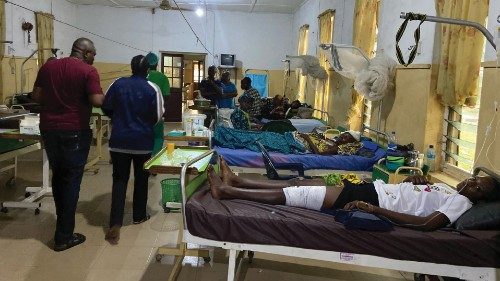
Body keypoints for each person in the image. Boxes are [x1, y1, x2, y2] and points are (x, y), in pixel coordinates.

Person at [207, 156, 500, 231]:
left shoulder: (461, 204)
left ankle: (230, 192)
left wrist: (374, 211)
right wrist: (414, 181)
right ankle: (236, 182)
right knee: (297, 184)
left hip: (375, 199)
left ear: (481, 200)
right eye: (475, 179)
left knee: (298, 194)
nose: (470, 184)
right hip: (377, 189)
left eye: (477, 188)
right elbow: (420, 200)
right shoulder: (451, 189)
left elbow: (425, 223)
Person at [31, 38, 104, 251]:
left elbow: (37, 96)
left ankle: (62, 225)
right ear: (86, 52)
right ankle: (64, 236)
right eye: (94, 54)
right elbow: (97, 100)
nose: (94, 58)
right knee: (71, 181)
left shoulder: (49, 66)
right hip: (74, 130)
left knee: (59, 176)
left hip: (49, 130)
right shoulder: (88, 71)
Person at [101, 55, 164, 245]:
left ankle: (115, 222)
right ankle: (138, 216)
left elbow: (106, 107)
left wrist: (119, 120)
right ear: (147, 70)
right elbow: (158, 116)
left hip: (119, 141)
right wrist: (143, 125)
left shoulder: (117, 84)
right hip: (142, 142)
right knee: (141, 179)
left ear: (131, 67)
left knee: (119, 181)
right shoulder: (152, 88)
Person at [145, 52, 170, 157]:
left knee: (144, 135)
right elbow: (166, 96)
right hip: (156, 112)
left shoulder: (141, 76)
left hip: (140, 112)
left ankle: (143, 159)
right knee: (158, 137)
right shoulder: (162, 77)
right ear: (157, 64)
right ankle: (153, 161)